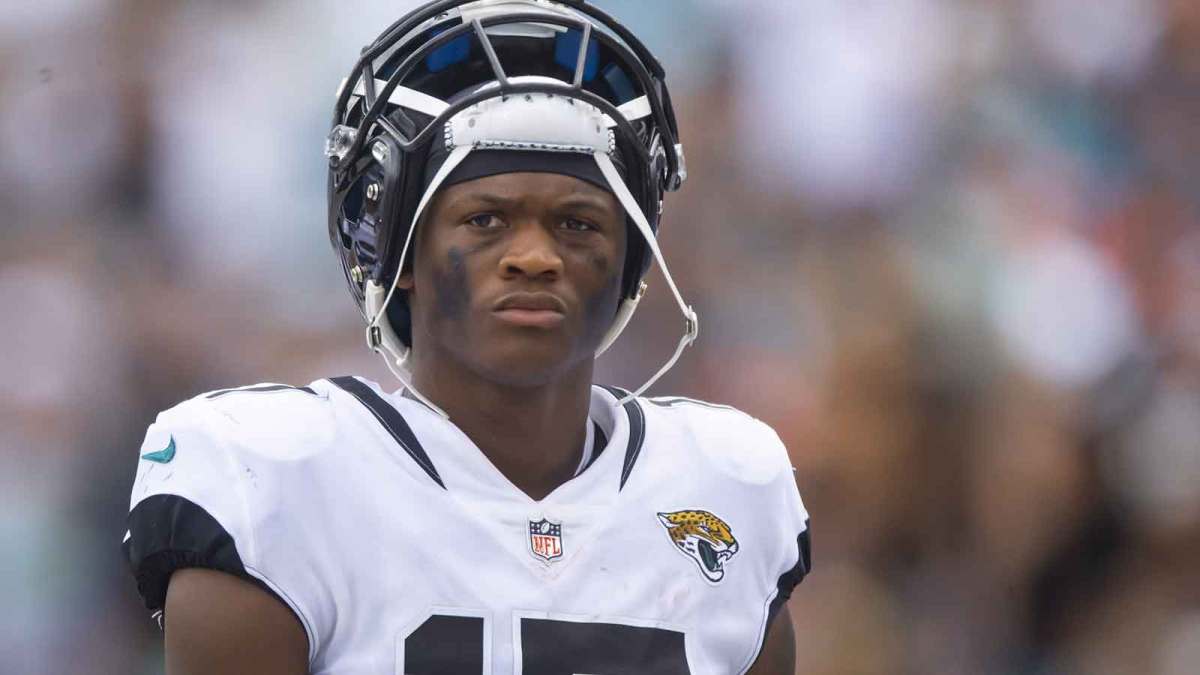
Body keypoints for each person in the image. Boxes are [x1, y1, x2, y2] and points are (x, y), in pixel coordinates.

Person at [122, 1, 810, 673]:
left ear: (630, 262)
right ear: (398, 253)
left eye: (578, 224)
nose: (535, 257)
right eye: (485, 220)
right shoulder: (272, 481)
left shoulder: (725, 487)